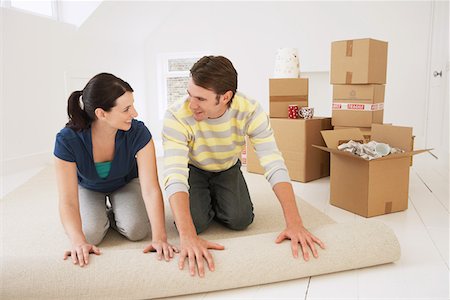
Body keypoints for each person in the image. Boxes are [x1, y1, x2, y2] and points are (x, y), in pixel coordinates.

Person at [162, 56, 325, 277]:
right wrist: (188, 236)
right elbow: (174, 173)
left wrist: (295, 223)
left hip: (227, 167)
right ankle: (204, 199)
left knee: (241, 220)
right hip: (193, 170)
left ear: (226, 97)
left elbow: (273, 162)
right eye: (190, 94)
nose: (192, 104)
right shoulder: (176, 115)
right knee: (195, 225)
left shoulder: (250, 110)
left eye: (200, 98)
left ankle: (216, 195)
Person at [54, 73, 177, 268]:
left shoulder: (138, 132)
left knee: (137, 230)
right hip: (89, 187)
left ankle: (114, 212)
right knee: (89, 235)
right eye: (126, 109)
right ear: (101, 113)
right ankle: (103, 213)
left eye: (133, 105)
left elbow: (151, 189)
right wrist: (78, 241)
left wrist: (160, 238)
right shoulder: (67, 140)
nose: (135, 113)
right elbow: (68, 200)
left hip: (126, 183)